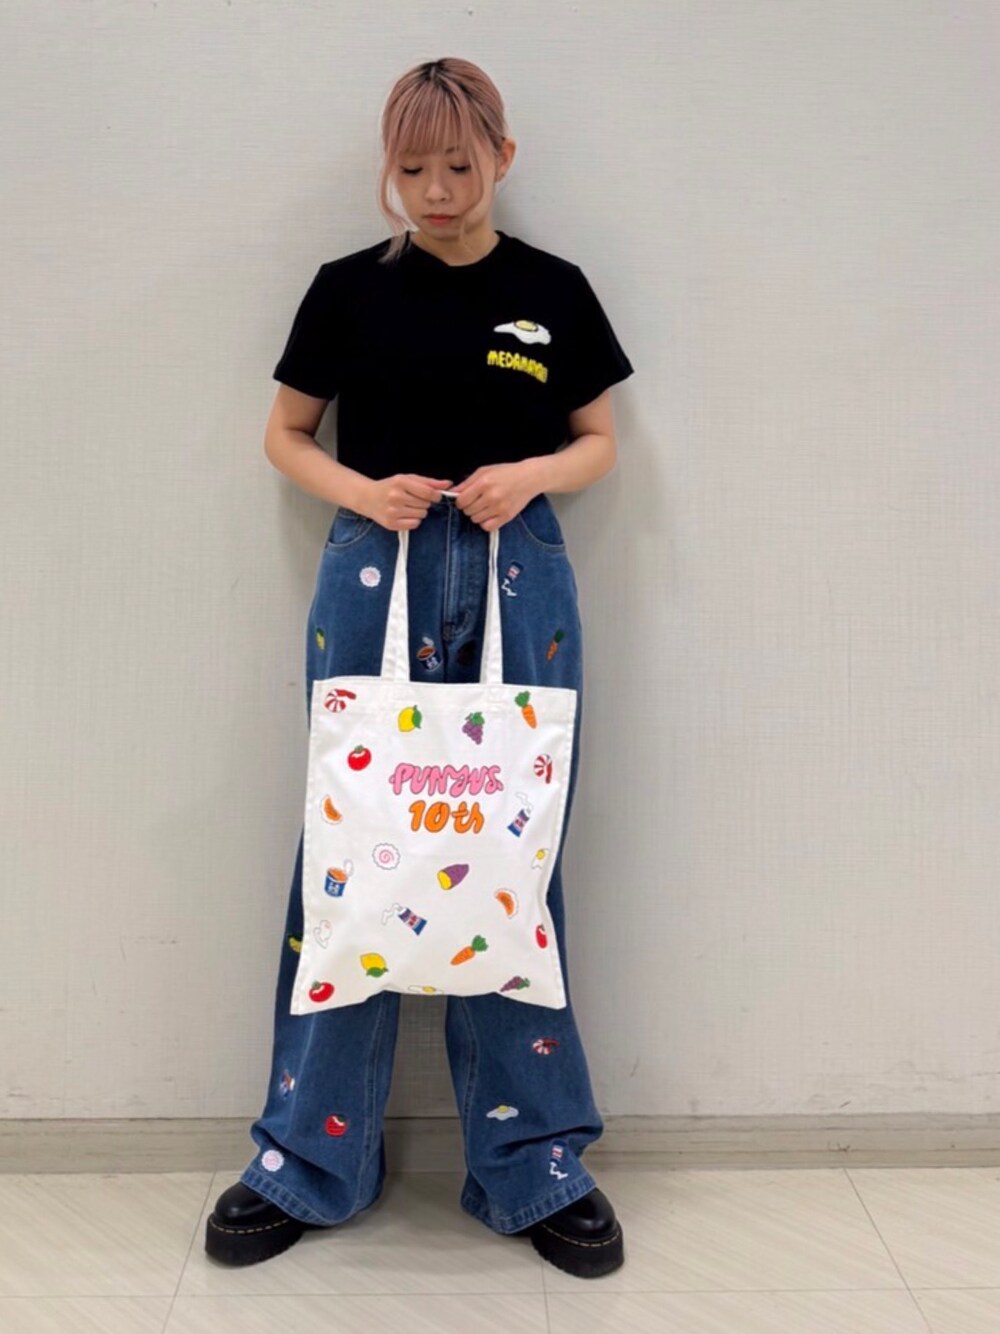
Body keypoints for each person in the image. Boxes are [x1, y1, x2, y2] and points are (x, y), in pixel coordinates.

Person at [204, 56, 635, 1279]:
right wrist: (360, 491)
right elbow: (286, 433)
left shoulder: (552, 291)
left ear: (503, 156)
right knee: (350, 856)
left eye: (457, 164)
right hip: (372, 572)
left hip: (519, 573)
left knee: (510, 853)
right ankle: (307, 1155)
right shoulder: (348, 289)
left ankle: (533, 1158)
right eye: (411, 169)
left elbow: (599, 441)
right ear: (386, 170)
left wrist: (531, 473)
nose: (436, 190)